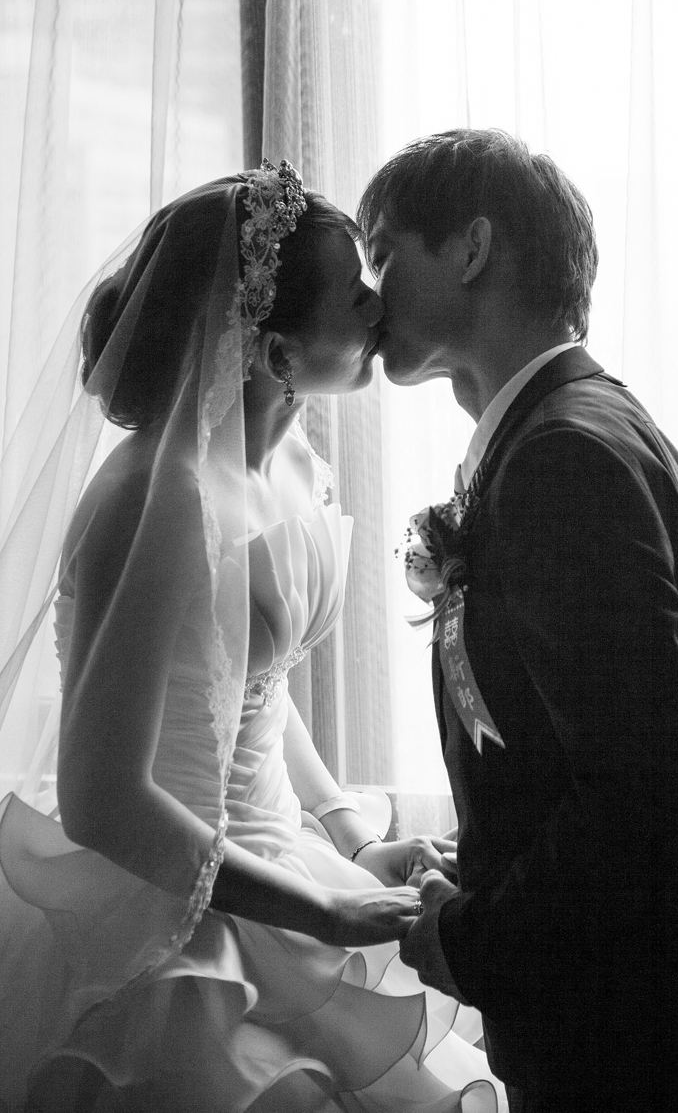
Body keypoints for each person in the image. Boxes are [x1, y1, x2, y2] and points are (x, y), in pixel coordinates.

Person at [0, 161, 504, 1111]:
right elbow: (103, 800)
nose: (379, 306)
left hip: (279, 861)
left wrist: (348, 835)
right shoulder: (160, 498)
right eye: (354, 295)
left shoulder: (293, 459)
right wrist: (324, 909)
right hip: (175, 908)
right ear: (275, 354)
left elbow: (248, 690)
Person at [357, 129, 678, 1112]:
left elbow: (655, 788)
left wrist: (471, 939)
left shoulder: (561, 458)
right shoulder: (579, 424)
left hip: (628, 1032)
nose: (369, 296)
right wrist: (481, 860)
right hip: (634, 1009)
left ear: (471, 249)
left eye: (384, 255)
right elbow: (577, 747)